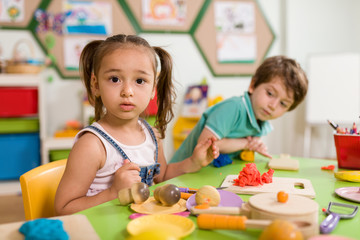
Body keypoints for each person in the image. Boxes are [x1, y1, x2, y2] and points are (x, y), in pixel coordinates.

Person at [55, 34, 219, 215]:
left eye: (140, 81)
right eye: (115, 79)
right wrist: (113, 192)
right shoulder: (92, 145)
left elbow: (162, 177)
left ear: (153, 88)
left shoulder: (152, 135)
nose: (127, 91)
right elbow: (63, 209)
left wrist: (193, 162)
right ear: (95, 85)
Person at [170, 55, 308, 165]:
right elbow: (205, 147)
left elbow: (235, 152)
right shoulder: (234, 108)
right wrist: (246, 143)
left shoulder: (261, 122)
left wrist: (251, 148)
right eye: (270, 94)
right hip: (180, 177)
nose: (273, 105)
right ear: (253, 85)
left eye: (283, 103)